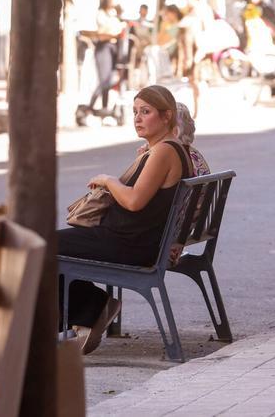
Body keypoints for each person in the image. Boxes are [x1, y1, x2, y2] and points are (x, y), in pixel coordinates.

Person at [58, 85, 191, 354]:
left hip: (128, 243)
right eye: (135, 112)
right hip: (131, 238)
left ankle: (92, 308)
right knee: (44, 244)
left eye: (146, 112)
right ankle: (92, 308)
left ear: (167, 117)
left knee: (40, 248)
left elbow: (133, 201)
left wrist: (108, 179)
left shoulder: (165, 151)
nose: (138, 118)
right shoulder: (162, 149)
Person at [88, 0, 127, 111]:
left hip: (113, 48)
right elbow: (107, 31)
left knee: (110, 78)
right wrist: (118, 29)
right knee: (104, 80)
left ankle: (104, 109)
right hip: (103, 47)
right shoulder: (101, 14)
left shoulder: (113, 14)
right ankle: (88, 107)